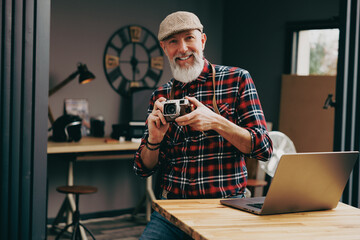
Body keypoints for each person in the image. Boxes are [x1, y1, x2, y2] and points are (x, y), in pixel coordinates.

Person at [133, 11, 273, 240]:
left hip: (225, 208)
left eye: (189, 38)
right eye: (173, 42)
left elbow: (264, 148)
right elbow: (142, 168)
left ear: (202, 40)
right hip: (172, 211)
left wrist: (217, 122)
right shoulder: (160, 95)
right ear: (164, 48)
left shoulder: (237, 79)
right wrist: (154, 139)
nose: (182, 48)